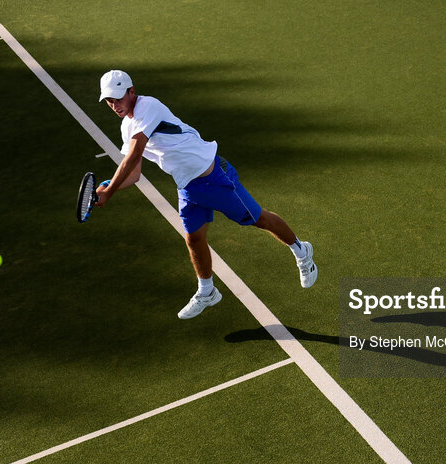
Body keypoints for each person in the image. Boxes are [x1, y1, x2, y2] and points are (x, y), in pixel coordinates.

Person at [94, 70, 317, 319]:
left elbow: (135, 154)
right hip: (188, 187)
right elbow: (134, 174)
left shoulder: (149, 106)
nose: (114, 105)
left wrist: (110, 191)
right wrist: (105, 190)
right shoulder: (127, 127)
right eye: (109, 101)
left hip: (215, 178)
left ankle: (301, 250)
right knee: (193, 239)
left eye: (117, 98)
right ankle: (207, 291)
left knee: (259, 219)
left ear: (132, 91)